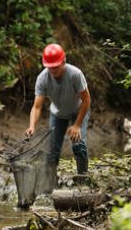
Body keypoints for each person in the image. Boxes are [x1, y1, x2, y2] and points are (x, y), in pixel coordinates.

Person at [26, 44, 91, 175]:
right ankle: (51, 184)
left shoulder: (75, 74)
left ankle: (83, 179)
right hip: (58, 114)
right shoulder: (42, 78)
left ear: (63, 61)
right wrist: (32, 125)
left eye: (56, 66)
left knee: (78, 145)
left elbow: (86, 100)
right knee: (52, 152)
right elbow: (37, 106)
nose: (53, 70)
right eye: (50, 67)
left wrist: (77, 125)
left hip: (78, 110)